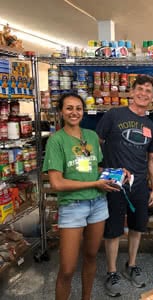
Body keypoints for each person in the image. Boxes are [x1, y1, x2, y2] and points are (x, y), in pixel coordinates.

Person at [42, 93, 120, 300]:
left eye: (78, 108)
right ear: (61, 112)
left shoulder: (91, 135)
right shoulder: (56, 140)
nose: (74, 112)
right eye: (69, 108)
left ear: (83, 111)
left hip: (98, 204)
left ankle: (87, 297)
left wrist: (117, 174)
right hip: (73, 206)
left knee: (91, 256)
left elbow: (98, 167)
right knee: (67, 268)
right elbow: (57, 183)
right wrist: (94, 183)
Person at [96, 75, 153, 297]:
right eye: (140, 89)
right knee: (113, 229)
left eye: (149, 91)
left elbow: (152, 158)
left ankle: (131, 265)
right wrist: (100, 171)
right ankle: (112, 271)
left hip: (139, 183)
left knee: (137, 227)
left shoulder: (152, 126)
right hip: (114, 182)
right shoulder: (114, 115)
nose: (144, 94)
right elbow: (98, 143)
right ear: (131, 92)